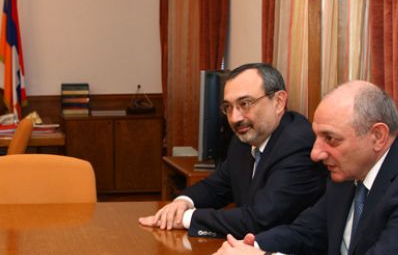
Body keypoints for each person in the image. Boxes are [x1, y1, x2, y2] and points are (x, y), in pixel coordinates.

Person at [192, 81, 398, 255]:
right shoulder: (348, 172)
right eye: (317, 137)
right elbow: (306, 232)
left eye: (330, 139)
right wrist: (250, 248)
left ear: (378, 136)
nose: (315, 153)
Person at [139, 63, 327, 238]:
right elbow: (216, 186)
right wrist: (183, 202)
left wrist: (186, 218)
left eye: (245, 104)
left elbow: (259, 220)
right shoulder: (244, 140)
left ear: (278, 102)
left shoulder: (298, 144)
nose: (235, 118)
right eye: (228, 107)